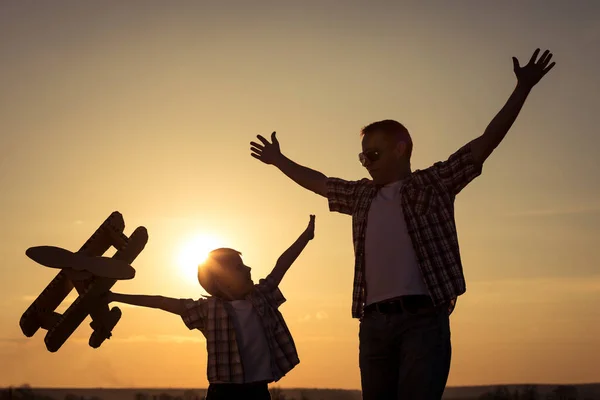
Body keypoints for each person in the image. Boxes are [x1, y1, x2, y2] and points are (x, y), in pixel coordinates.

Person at [249, 49, 556, 399]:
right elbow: (319, 182)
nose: (366, 163)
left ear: (401, 149)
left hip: (423, 322)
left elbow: (484, 143)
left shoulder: (433, 183)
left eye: (374, 154)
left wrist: (523, 89)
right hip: (374, 324)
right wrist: (278, 160)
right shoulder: (361, 196)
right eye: (363, 156)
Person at [107, 215, 316, 400]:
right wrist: (116, 296)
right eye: (239, 267)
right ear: (222, 281)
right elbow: (161, 301)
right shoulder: (207, 310)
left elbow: (282, 265)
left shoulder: (261, 297)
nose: (249, 268)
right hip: (223, 393)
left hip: (258, 391)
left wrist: (305, 237)